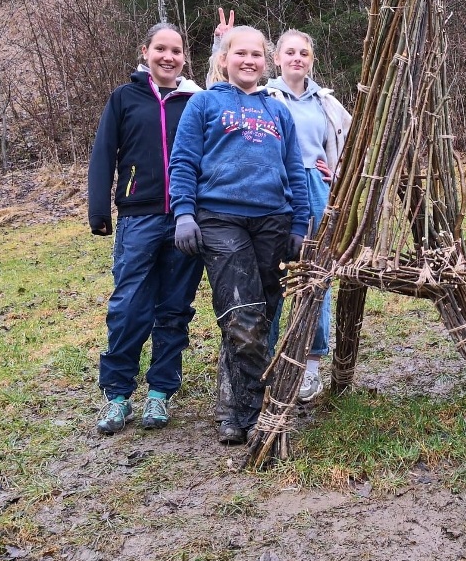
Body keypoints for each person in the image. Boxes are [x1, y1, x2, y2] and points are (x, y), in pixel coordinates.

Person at [168, 25, 310, 445]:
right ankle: (259, 411)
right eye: (240, 53)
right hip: (220, 220)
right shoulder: (204, 104)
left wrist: (300, 225)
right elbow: (184, 162)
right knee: (242, 317)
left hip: (274, 221)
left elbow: (295, 171)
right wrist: (184, 215)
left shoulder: (277, 110)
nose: (249, 61)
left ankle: (230, 409)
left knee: (258, 318)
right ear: (224, 59)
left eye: (256, 55)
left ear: (266, 62)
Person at [87, 22, 204, 436]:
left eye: (176, 50)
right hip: (138, 217)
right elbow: (103, 153)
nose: (168, 57)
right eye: (160, 49)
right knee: (129, 306)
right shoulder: (124, 97)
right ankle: (117, 395)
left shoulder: (195, 101)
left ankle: (160, 392)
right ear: (145, 51)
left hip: (187, 220)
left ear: (184, 57)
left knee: (173, 309)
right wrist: (99, 208)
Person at [265, 29, 352, 402]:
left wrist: (338, 171)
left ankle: (311, 365)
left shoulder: (326, 103)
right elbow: (220, 91)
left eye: (304, 53)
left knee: (317, 274)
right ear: (277, 58)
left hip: (316, 187)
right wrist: (223, 43)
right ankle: (265, 361)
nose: (297, 58)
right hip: (275, 188)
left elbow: (352, 139)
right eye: (290, 52)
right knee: (273, 272)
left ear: (311, 60)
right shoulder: (264, 96)